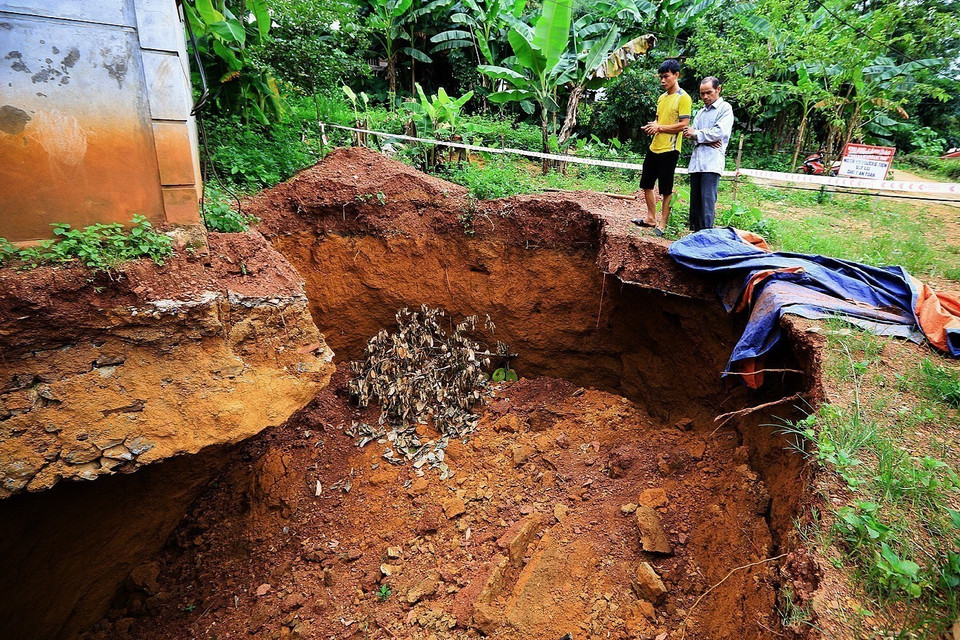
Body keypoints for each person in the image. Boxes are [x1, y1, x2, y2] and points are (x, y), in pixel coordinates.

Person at [632, 59, 692, 236]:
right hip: (655, 146)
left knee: (666, 188)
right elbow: (659, 120)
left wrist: (660, 128)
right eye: (661, 77)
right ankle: (651, 218)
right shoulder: (661, 98)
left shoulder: (684, 98)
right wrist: (653, 126)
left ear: (676, 75)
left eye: (666, 77)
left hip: (670, 149)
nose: (662, 81)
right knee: (646, 183)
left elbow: (684, 125)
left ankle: (663, 224)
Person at [683, 76, 734, 231]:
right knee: (695, 204)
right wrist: (704, 138)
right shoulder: (700, 113)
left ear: (718, 89)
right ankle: (695, 234)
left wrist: (698, 135)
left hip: (711, 164)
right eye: (702, 93)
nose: (705, 97)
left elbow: (719, 133)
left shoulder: (725, 109)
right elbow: (689, 135)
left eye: (709, 93)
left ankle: (707, 235)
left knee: (707, 202)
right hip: (697, 163)